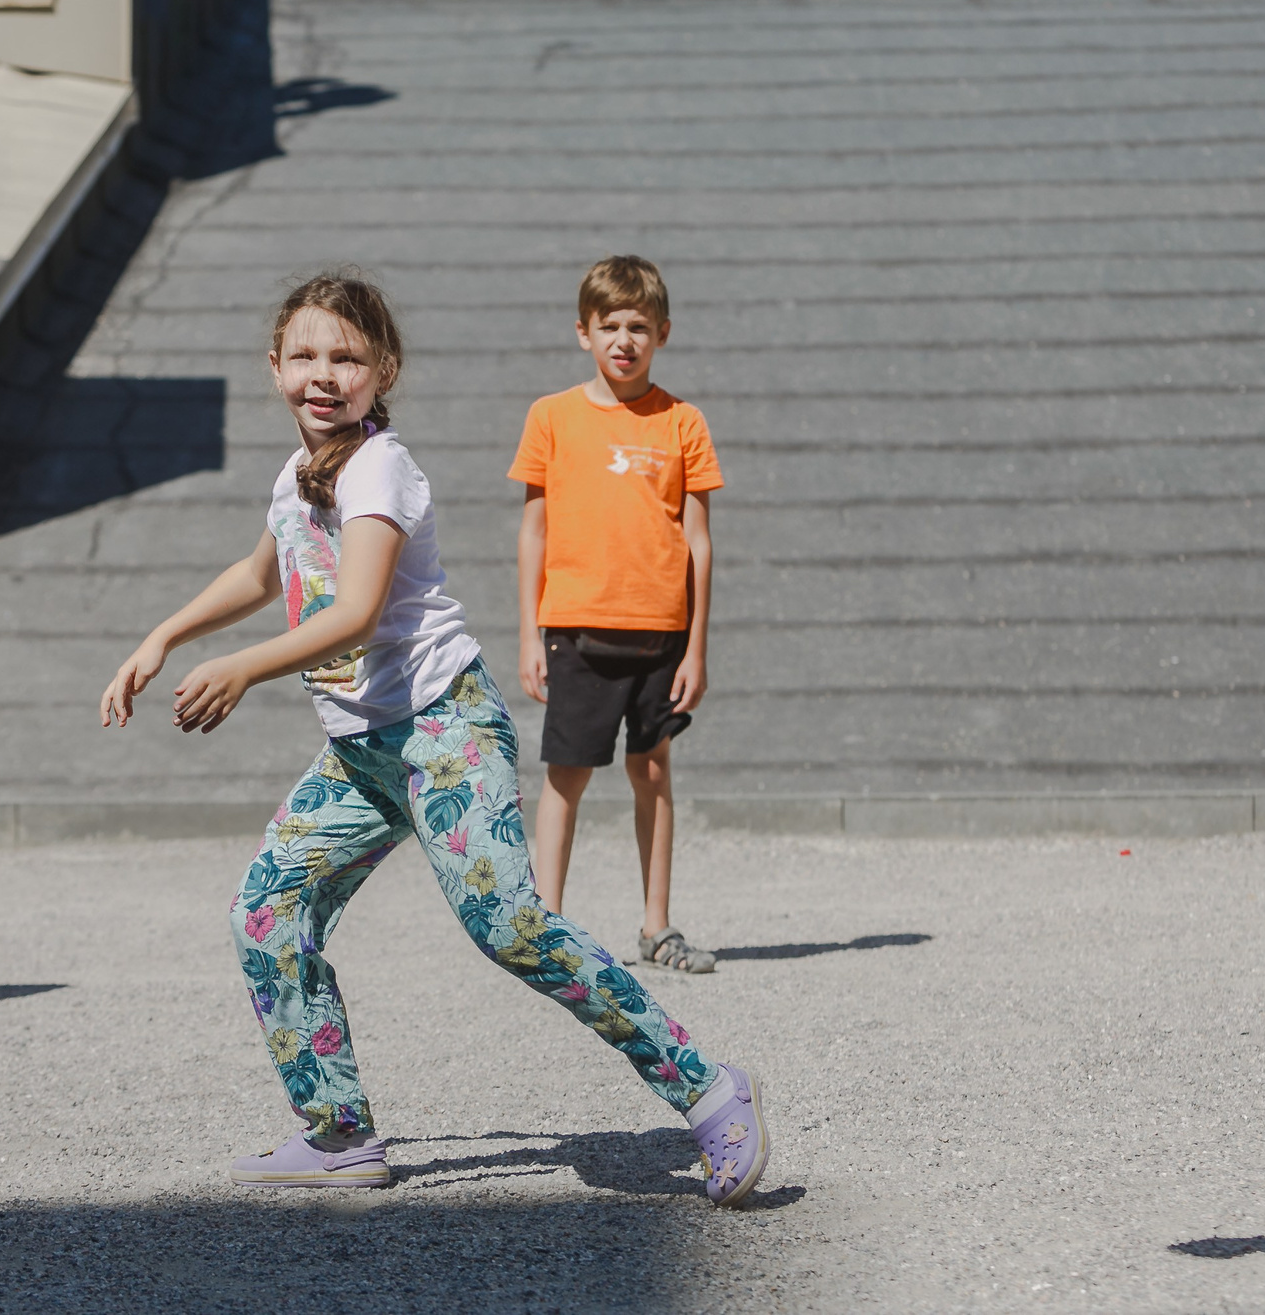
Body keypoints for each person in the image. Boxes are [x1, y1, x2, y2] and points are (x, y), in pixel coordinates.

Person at [100, 272, 769, 1205]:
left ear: (384, 370)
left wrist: (243, 668)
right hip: (362, 750)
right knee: (267, 914)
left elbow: (360, 608)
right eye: (304, 356)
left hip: (443, 729)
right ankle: (337, 1132)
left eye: (346, 357)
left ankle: (707, 1087)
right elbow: (263, 571)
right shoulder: (299, 475)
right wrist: (163, 636)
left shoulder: (379, 465)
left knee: (510, 924)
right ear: (275, 367)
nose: (322, 375)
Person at [514, 256, 724, 974]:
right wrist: (530, 634)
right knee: (565, 775)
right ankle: (544, 929)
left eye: (639, 326)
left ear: (662, 333)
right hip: (576, 627)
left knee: (654, 772)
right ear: (584, 333)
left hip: (661, 632)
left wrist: (696, 648)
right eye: (610, 326)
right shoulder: (551, 418)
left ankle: (657, 927)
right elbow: (533, 531)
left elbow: (698, 541)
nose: (624, 339)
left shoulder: (684, 422)